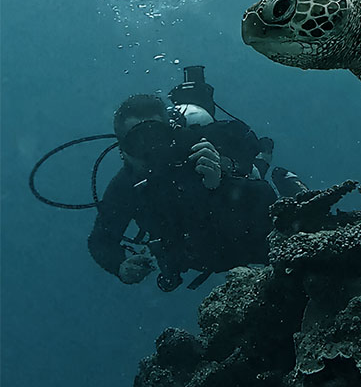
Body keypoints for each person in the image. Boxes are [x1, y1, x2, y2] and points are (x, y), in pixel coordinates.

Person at [88, 88, 308, 291]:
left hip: (248, 237)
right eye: (138, 142)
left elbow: (261, 193)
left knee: (299, 244)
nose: (150, 151)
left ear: (170, 131)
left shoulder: (197, 144)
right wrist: (120, 266)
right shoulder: (126, 186)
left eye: (156, 137)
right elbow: (101, 240)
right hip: (200, 255)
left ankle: (293, 190)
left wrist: (223, 175)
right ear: (122, 149)